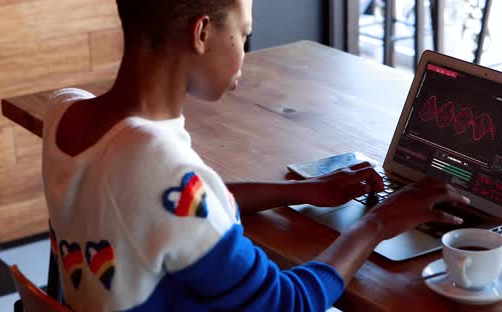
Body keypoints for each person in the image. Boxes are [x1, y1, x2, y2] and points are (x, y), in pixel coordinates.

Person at [42, 0, 468, 311]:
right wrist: (378, 222)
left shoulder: (65, 111)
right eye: (244, 35)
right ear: (202, 33)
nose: (245, 51)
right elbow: (288, 304)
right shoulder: (155, 161)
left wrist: (302, 190)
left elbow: (169, 207)